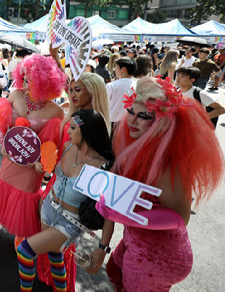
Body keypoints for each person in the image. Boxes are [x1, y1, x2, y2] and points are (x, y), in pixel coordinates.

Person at [93, 76, 224, 291]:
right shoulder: (135, 150)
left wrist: (124, 214)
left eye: (143, 115)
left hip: (160, 256)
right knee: (114, 271)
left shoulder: (167, 164)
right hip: (136, 241)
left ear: (162, 121)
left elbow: (180, 218)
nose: (132, 121)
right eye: (131, 112)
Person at [0, 55, 66, 251]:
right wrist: (4, 145)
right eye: (23, 76)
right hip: (10, 158)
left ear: (44, 82)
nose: (23, 82)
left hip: (33, 167)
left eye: (29, 79)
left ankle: (21, 232)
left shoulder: (55, 111)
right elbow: (3, 122)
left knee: (25, 195)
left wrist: (40, 162)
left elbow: (52, 144)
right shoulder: (15, 94)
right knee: (2, 185)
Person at [17, 109, 113, 292]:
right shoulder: (68, 146)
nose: (68, 130)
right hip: (48, 209)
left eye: (73, 127)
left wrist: (103, 248)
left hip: (69, 223)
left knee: (24, 252)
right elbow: (56, 173)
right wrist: (41, 165)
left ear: (86, 132)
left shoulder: (102, 166)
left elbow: (110, 213)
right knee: (55, 255)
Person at [106, 57, 136, 128]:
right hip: (132, 122)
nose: (114, 70)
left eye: (116, 67)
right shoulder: (138, 85)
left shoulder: (111, 85)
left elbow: (104, 104)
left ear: (123, 69)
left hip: (113, 122)